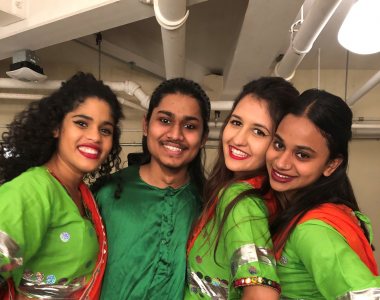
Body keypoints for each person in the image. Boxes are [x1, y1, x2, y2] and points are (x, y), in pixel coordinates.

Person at [0, 72, 124, 299]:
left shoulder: (80, 194)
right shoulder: (33, 189)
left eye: (105, 130)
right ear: (57, 128)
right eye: (81, 123)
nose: (95, 137)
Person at [93, 77, 210, 299]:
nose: (176, 134)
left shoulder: (207, 204)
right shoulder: (108, 193)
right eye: (165, 121)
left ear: (203, 137)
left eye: (190, 126)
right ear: (146, 125)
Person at [185, 77, 299, 300]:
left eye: (258, 132)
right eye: (236, 123)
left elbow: (261, 294)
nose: (238, 139)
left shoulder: (241, 200)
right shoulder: (243, 193)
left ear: (279, 144)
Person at [266, 89, 380, 299]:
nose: (281, 163)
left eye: (302, 155)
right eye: (279, 144)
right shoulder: (317, 211)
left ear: (331, 164)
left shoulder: (313, 231)